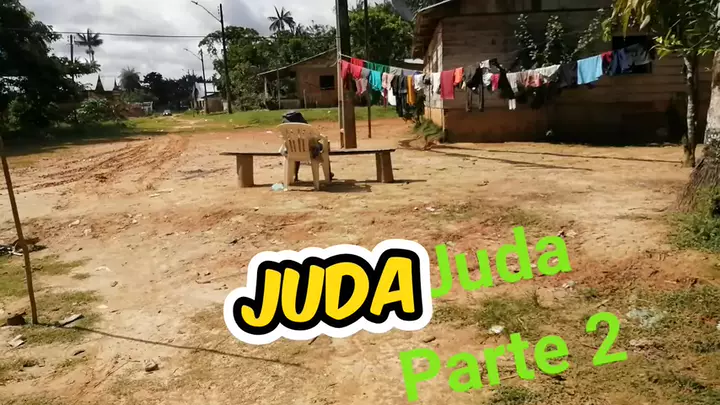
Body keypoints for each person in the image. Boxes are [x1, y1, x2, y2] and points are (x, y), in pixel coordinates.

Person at [279, 111, 333, 183]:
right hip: (308, 150)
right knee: (324, 149)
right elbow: (316, 136)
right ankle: (328, 174)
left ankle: (295, 175)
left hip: (291, 150)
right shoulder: (305, 126)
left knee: (296, 149)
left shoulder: (284, 126)